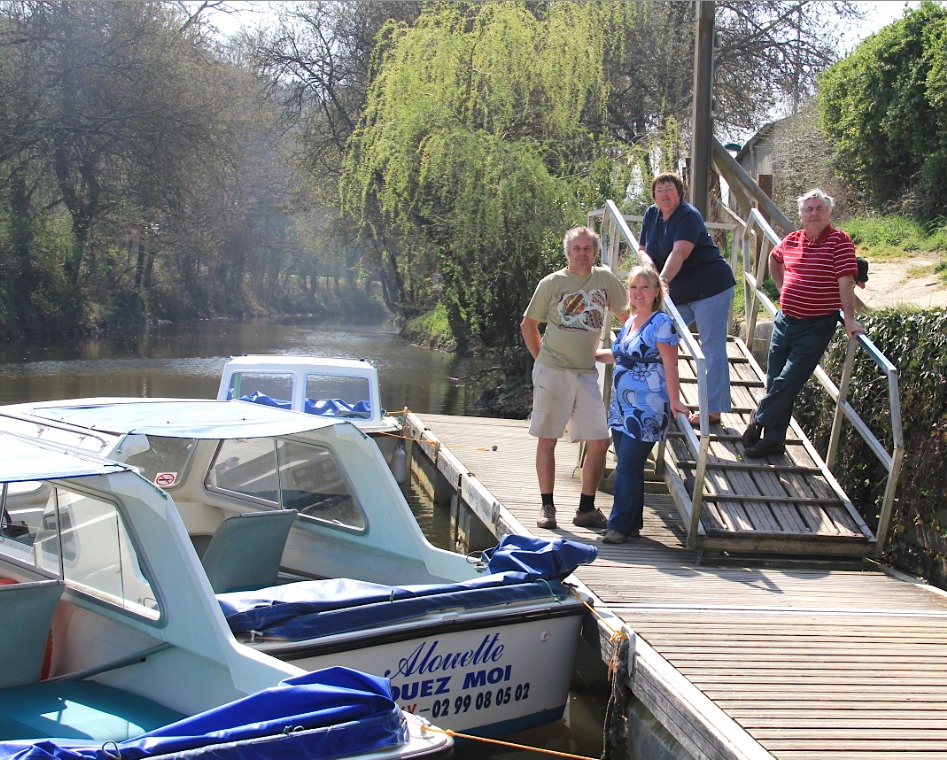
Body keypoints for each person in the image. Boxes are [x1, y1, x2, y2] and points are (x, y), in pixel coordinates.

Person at [742, 189, 865, 458]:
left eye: (819, 209)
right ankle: (774, 441)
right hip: (786, 320)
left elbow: (846, 282)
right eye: (808, 209)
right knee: (775, 379)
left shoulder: (839, 241)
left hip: (816, 325)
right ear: (801, 215)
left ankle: (758, 419)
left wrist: (850, 320)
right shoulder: (792, 240)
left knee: (788, 380)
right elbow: (774, 259)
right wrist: (780, 285)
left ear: (829, 214)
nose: (814, 213)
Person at [521, 226, 628, 530]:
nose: (582, 254)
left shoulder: (605, 280)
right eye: (577, 248)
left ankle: (585, 509)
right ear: (567, 252)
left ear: (596, 253)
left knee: (600, 439)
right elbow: (528, 325)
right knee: (548, 437)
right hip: (553, 369)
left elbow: (628, 316)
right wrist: (542, 358)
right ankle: (547, 506)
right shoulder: (552, 283)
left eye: (588, 249)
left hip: (585, 372)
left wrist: (628, 349)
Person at [595, 267, 689, 543]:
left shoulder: (662, 323)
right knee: (629, 465)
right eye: (634, 287)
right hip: (622, 406)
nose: (638, 293)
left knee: (626, 465)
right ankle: (631, 524)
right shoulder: (629, 322)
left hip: (647, 406)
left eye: (645, 287)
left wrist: (674, 399)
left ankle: (618, 526)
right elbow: (619, 355)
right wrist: (587, 354)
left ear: (656, 292)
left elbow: (671, 363)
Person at [638, 172, 735, 428]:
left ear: (679, 194)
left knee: (712, 348)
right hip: (679, 294)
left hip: (710, 288)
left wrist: (661, 283)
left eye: (669, 189)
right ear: (654, 196)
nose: (665, 194)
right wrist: (648, 267)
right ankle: (662, 399)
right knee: (658, 339)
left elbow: (678, 253)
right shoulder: (652, 215)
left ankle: (712, 410)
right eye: (659, 190)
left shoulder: (688, 215)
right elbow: (643, 250)